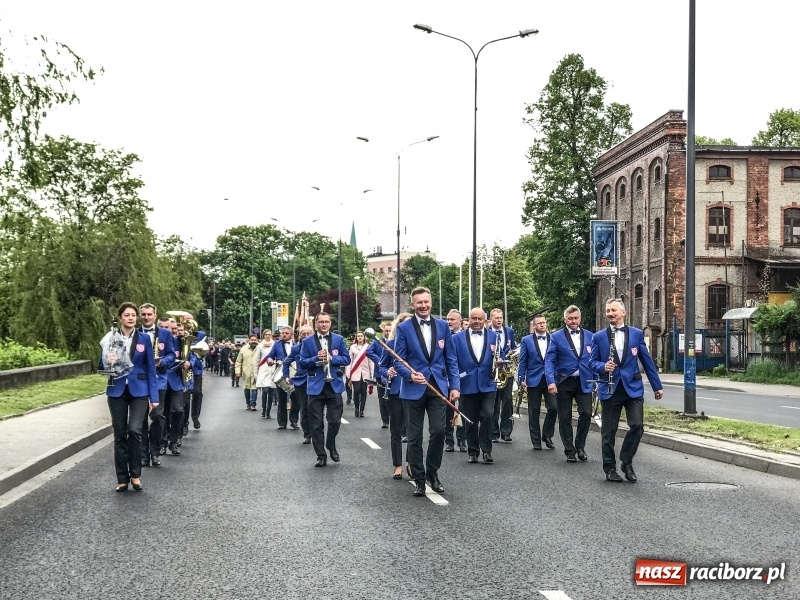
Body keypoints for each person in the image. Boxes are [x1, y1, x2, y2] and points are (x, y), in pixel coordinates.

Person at [394, 287, 460, 497]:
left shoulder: (443, 326)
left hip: (437, 387)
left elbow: (451, 358)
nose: (423, 305)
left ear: (431, 302)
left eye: (426, 302)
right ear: (413, 304)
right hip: (412, 389)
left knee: (439, 432)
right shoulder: (404, 328)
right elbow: (398, 360)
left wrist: (455, 386)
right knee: (414, 437)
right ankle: (419, 479)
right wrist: (410, 375)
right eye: (419, 302)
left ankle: (433, 473)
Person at [590, 298, 664, 483]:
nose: (610, 314)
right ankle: (610, 468)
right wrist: (602, 366)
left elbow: (647, 361)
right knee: (609, 432)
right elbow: (591, 362)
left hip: (633, 388)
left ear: (623, 312)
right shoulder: (599, 337)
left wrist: (657, 386)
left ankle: (626, 461)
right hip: (610, 388)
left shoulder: (636, 334)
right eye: (608, 311)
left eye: (613, 310)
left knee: (637, 426)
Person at [101, 302, 158, 492]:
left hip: (139, 391)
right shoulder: (111, 338)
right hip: (116, 390)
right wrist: (107, 361)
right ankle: (122, 479)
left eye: (134, 315)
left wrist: (154, 396)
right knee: (119, 434)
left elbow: (150, 368)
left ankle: (135, 474)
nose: (131, 318)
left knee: (134, 430)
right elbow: (100, 366)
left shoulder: (144, 339)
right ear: (120, 318)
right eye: (127, 315)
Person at [299, 312, 350, 467]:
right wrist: (316, 358)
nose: (324, 324)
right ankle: (321, 455)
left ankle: (330, 444)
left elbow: (346, 359)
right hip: (316, 386)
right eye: (321, 322)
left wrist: (332, 358)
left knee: (334, 421)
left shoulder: (339, 339)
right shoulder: (307, 341)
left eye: (327, 322)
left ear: (330, 323)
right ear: (316, 324)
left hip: (334, 385)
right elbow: (302, 363)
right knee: (316, 424)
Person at [452, 307, 502, 464]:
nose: (477, 321)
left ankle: (487, 451)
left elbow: (501, 355)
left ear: (485, 321)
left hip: (488, 383)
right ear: (468, 319)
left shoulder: (495, 336)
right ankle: (473, 452)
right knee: (470, 420)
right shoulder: (457, 338)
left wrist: (500, 362)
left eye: (480, 319)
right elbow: (452, 362)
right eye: (474, 318)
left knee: (488, 415)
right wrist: (454, 384)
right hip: (466, 383)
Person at [545, 305, 594, 463]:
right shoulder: (556, 337)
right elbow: (550, 361)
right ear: (565, 319)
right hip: (564, 381)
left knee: (586, 413)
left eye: (576, 318)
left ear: (580, 318)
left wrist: (597, 380)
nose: (573, 321)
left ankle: (580, 446)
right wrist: (551, 381)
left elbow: (595, 359)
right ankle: (569, 450)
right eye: (570, 318)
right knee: (565, 416)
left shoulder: (590, 336)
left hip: (584, 381)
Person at [136, 304, 175, 468]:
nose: (146, 317)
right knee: (141, 419)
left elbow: (172, 355)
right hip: (139, 381)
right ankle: (144, 455)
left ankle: (155, 451)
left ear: (155, 315)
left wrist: (161, 362)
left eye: (149, 314)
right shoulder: (134, 332)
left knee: (158, 416)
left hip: (158, 380)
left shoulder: (165, 334)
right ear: (140, 315)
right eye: (143, 314)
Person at [378, 313, 412, 479]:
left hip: (413, 390)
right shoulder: (390, 345)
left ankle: (411, 463)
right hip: (395, 391)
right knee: (396, 430)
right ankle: (397, 465)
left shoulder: (419, 345)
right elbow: (382, 367)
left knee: (413, 430)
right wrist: (387, 372)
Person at [517, 313, 558, 451]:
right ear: (534, 325)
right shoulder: (526, 340)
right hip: (533, 379)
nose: (542, 325)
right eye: (539, 323)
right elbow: (523, 361)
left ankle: (547, 435)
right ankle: (536, 441)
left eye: (543, 322)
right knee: (534, 410)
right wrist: (521, 379)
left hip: (550, 379)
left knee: (554, 407)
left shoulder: (554, 338)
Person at [488, 308, 516, 442]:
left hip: (506, 371)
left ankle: (506, 431)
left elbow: (512, 347)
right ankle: (494, 432)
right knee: (494, 402)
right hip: (493, 371)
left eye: (501, 318)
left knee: (508, 401)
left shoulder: (509, 331)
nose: (499, 320)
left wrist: (514, 353)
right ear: (491, 319)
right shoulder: (487, 332)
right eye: (496, 318)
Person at [283, 325, 314, 443]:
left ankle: (316, 432)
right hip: (301, 382)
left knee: (315, 409)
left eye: (308, 333)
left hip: (316, 381)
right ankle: (307, 434)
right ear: (300, 335)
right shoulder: (296, 349)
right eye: (303, 334)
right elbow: (286, 362)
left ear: (312, 334)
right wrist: (286, 376)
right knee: (304, 409)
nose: (305, 336)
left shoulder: (318, 347)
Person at [268, 326, 300, 429]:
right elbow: (270, 356)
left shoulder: (297, 345)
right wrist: (270, 360)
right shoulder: (276, 344)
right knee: (281, 398)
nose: (284, 335)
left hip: (294, 374)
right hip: (281, 375)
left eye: (286, 333)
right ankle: (282, 422)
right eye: (283, 333)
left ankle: (294, 421)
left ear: (292, 335)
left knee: (295, 399)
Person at [445, 309, 467, 452]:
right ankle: (449, 441)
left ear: (460, 321)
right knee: (448, 410)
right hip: (448, 379)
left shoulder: (465, 336)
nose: (449, 322)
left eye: (452, 320)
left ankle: (462, 440)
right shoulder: (444, 335)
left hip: (464, 377)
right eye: (448, 319)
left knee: (463, 410)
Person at [366, 322, 392, 428]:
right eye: (386, 331)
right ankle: (385, 420)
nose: (388, 333)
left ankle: (395, 419)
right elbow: (369, 352)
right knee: (382, 399)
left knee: (394, 399)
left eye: (390, 331)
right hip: (380, 373)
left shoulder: (397, 341)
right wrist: (379, 361)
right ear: (383, 331)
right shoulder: (377, 342)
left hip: (394, 373)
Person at [347, 331, 373, 418]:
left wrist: (372, 373)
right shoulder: (352, 347)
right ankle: (356, 408)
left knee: (363, 391)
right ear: (356, 338)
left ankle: (362, 410)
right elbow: (350, 361)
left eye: (361, 336)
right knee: (356, 390)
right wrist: (348, 373)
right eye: (358, 336)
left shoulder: (368, 347)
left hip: (365, 372)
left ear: (364, 337)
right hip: (355, 372)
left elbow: (370, 361)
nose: (360, 337)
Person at [254, 330, 276, 418]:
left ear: (271, 335)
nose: (267, 336)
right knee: (265, 391)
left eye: (269, 334)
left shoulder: (275, 345)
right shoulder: (260, 346)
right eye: (266, 334)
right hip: (263, 370)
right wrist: (255, 373)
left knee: (271, 391)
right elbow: (256, 360)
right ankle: (263, 408)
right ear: (263, 336)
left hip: (272, 369)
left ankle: (268, 411)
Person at [236, 335, 259, 410]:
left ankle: (253, 404)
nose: (253, 341)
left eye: (255, 340)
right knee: (247, 388)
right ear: (248, 340)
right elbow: (238, 361)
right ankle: (248, 403)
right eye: (252, 340)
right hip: (246, 372)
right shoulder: (243, 349)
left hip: (256, 372)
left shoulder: (259, 349)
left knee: (254, 388)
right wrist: (238, 371)